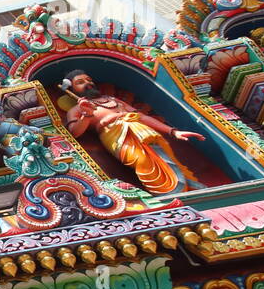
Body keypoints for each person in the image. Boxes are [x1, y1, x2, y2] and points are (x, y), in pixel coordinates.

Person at [62, 69, 204, 196]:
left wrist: (173, 132)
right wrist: (86, 114)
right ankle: (167, 192)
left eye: (89, 80)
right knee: (142, 161)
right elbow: (75, 133)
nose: (88, 83)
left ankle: (188, 186)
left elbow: (142, 116)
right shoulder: (76, 110)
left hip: (140, 128)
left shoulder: (112, 100)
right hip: (116, 135)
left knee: (165, 156)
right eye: (80, 82)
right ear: (71, 89)